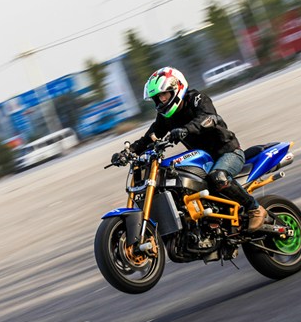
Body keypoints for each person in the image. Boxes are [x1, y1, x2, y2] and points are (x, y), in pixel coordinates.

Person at [111, 67, 268, 231]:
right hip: (203, 159)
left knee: (217, 177)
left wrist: (186, 129)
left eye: (164, 94)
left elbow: (209, 118)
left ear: (176, 89)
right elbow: (149, 137)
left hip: (227, 152)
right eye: (158, 97)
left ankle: (255, 209)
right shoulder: (165, 117)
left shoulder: (197, 99)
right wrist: (128, 153)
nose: (162, 99)